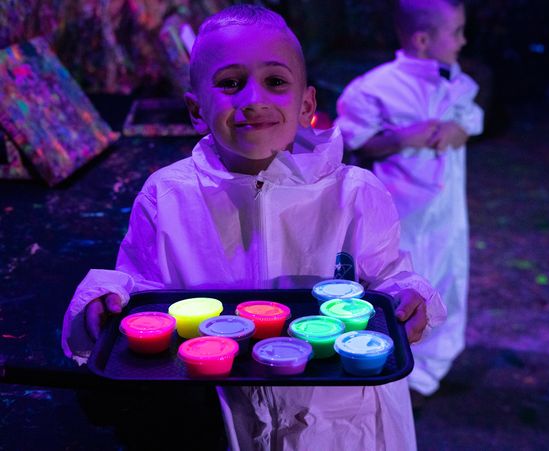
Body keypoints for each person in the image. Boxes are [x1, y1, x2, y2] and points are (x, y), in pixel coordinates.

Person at [61, 5, 446, 450]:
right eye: (229, 83)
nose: (253, 100)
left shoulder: (355, 194)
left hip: (339, 420)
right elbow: (142, 293)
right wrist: (106, 305)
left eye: (275, 82)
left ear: (306, 106)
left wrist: (411, 298)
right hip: (216, 416)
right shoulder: (167, 197)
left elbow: (390, 281)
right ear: (196, 110)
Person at [335, 0, 484, 397]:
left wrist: (460, 129)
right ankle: (396, 365)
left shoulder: (453, 79)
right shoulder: (373, 89)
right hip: (401, 210)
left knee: (449, 275)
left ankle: (431, 368)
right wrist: (404, 137)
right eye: (455, 32)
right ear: (422, 39)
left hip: (446, 209)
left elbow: (469, 112)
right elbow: (351, 141)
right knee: (402, 281)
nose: (462, 41)